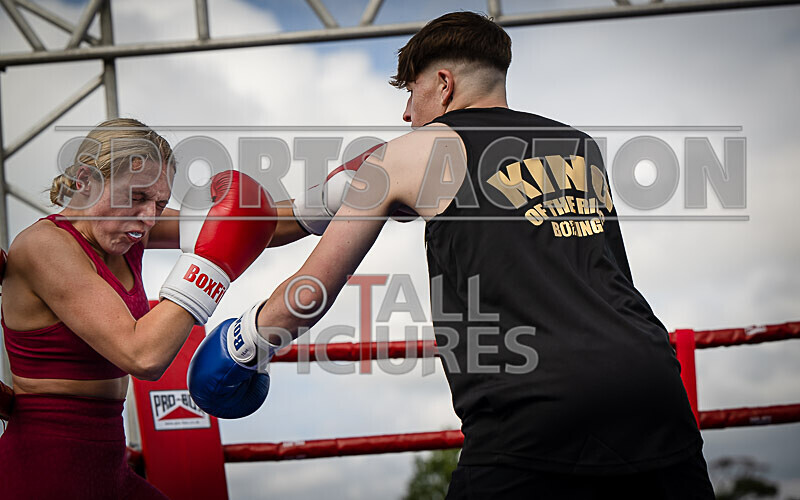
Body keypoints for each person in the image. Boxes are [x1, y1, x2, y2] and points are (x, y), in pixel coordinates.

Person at [188, 12, 715, 499]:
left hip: (531, 406)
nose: (405, 111)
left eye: (412, 92)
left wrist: (247, 342)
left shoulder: (414, 151)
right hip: (653, 389)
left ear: (443, 84)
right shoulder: (579, 146)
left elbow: (312, 290)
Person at [0, 118, 278, 498]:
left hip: (109, 465)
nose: (149, 218)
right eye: (136, 197)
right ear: (86, 180)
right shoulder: (45, 247)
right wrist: (209, 268)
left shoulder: (127, 230)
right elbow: (143, 355)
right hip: (45, 469)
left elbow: (246, 224)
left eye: (160, 203)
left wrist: (340, 202)